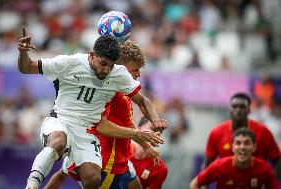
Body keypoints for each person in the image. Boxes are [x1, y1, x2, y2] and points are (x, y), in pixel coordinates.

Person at [18, 28, 167, 189]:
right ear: (91, 55)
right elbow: (27, 67)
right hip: (61, 120)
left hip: (88, 132)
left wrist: (155, 119)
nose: (105, 70)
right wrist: (23, 53)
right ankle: (31, 185)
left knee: (93, 178)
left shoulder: (118, 75)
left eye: (110, 66)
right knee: (58, 142)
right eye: (103, 64)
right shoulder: (69, 63)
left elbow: (143, 100)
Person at [204, 93, 281, 177]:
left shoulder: (263, 132)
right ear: (230, 110)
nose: (238, 110)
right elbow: (207, 163)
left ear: (249, 110)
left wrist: (270, 183)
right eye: (234, 106)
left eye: (242, 107)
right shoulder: (217, 132)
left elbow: (277, 160)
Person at [190, 128, 279, 189]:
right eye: (238, 143)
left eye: (247, 143)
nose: (242, 147)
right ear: (232, 147)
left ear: (254, 147)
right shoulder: (219, 166)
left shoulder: (264, 168)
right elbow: (194, 184)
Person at [129, 117, 168, 189]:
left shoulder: (160, 168)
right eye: (153, 129)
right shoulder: (120, 150)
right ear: (139, 129)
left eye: (160, 131)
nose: (157, 133)